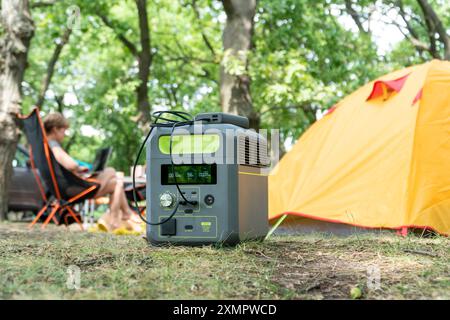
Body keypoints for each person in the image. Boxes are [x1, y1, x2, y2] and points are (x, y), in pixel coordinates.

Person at [43, 112, 140, 231]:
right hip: (71, 189)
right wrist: (78, 168)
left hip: (65, 187)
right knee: (110, 171)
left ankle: (118, 218)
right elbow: (71, 165)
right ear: (55, 129)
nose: (65, 135)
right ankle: (123, 214)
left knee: (116, 183)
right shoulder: (53, 145)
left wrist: (77, 172)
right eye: (63, 130)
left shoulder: (44, 146)